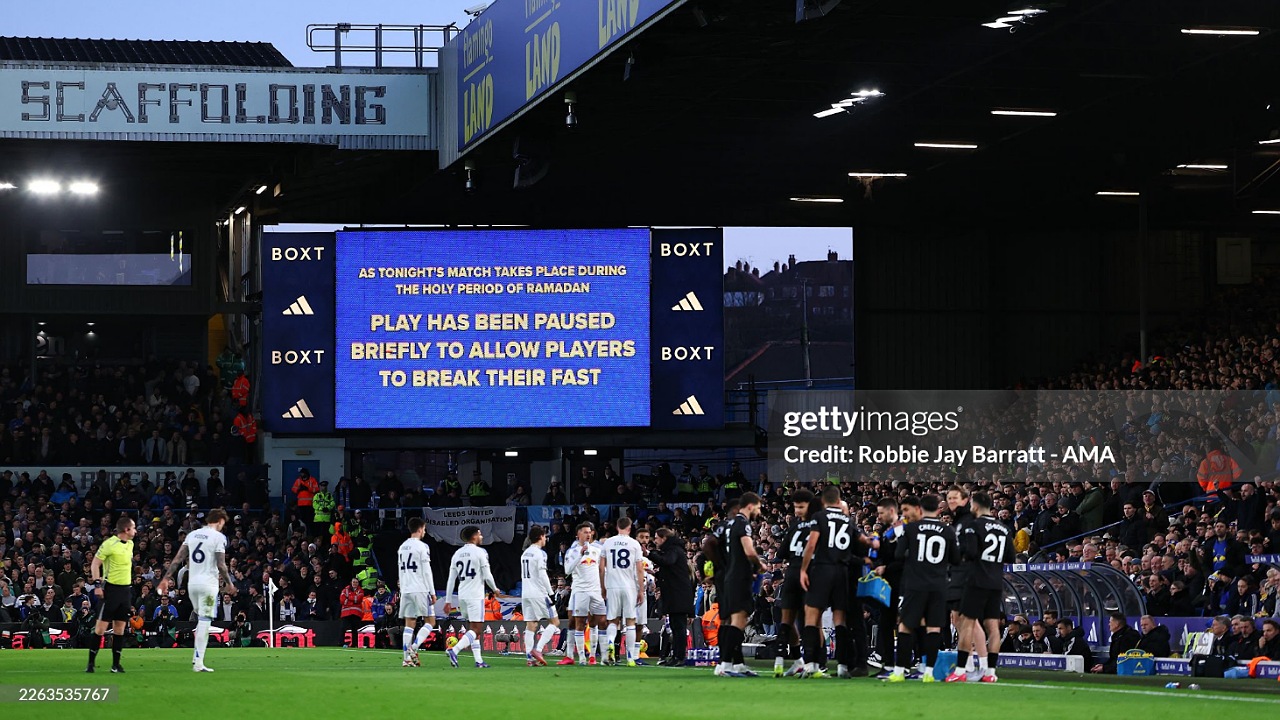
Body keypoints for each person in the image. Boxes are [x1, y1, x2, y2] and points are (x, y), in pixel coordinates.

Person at [946, 492, 1013, 683]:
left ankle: (960, 671)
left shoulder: (974, 525)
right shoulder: (1003, 528)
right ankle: (990, 673)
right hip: (996, 581)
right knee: (992, 626)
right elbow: (1010, 557)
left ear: (974, 506)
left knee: (966, 623)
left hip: (976, 580)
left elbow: (970, 552)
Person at [886, 494, 953, 682]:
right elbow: (955, 559)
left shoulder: (912, 529)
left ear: (921, 510)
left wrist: (902, 538)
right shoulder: (947, 531)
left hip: (916, 584)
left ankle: (899, 671)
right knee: (933, 629)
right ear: (939, 510)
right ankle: (929, 673)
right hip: (938, 585)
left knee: (906, 626)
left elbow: (899, 554)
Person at [158, 508, 230, 672]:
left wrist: (166, 578)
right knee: (205, 622)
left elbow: (177, 559)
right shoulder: (219, 537)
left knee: (201, 619)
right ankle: (198, 662)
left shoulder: (192, 535)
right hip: (208, 585)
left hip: (192, 584)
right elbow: (221, 564)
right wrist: (229, 583)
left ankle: (197, 659)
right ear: (219, 521)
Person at [799, 487, 852, 679]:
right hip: (842, 571)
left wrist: (803, 569)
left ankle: (811, 665)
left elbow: (812, 544)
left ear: (823, 501)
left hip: (822, 569)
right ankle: (843, 666)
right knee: (840, 620)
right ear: (839, 501)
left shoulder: (819, 517)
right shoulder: (848, 520)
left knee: (812, 617)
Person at [87, 515, 137, 674]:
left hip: (125, 591)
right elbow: (95, 563)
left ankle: (116, 664)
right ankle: (91, 663)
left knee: (119, 629)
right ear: (126, 529)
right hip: (110, 590)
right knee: (100, 629)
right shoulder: (109, 544)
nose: (136, 530)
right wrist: (97, 584)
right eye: (134, 527)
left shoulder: (130, 544)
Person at [444, 525, 499, 668]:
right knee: (477, 629)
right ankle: (454, 650)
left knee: (472, 628)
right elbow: (487, 575)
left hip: (462, 595)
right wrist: (495, 588)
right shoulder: (480, 553)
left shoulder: (457, 553)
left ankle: (478, 660)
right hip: (475, 595)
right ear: (474, 536)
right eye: (480, 534)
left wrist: (448, 600)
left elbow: (451, 579)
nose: (481, 537)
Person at [773, 489, 814, 677]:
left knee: (790, 622)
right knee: (800, 622)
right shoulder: (816, 524)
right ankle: (804, 662)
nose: (797, 511)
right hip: (806, 575)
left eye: (801, 507)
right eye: (795, 507)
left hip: (796, 574)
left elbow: (781, 554)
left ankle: (794, 662)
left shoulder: (797, 526)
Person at [600, 516, 645, 667]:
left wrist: (602, 586)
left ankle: (611, 642)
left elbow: (601, 567)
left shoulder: (608, 542)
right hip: (629, 587)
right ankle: (631, 658)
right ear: (630, 528)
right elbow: (639, 569)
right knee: (630, 621)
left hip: (612, 585)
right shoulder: (634, 544)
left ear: (617, 527)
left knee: (613, 620)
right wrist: (641, 590)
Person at [563, 522, 606, 665]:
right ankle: (581, 657)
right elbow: (567, 571)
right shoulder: (572, 551)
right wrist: (580, 555)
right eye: (585, 532)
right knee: (579, 623)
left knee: (600, 622)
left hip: (596, 591)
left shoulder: (597, 550)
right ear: (578, 535)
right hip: (580, 591)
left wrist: (603, 588)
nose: (588, 534)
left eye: (590, 532)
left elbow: (601, 570)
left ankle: (594, 656)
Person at [396, 517, 437, 668]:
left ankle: (406, 659)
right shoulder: (423, 547)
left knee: (409, 623)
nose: (424, 532)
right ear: (420, 529)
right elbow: (427, 571)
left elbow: (400, 570)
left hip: (406, 589)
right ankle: (413, 648)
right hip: (420, 588)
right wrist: (432, 592)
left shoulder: (402, 547)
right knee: (430, 621)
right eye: (424, 529)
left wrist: (402, 588)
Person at [652, 527, 695, 667]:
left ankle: (680, 657)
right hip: (676, 594)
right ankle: (676, 656)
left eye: (656, 538)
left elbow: (667, 562)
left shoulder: (674, 551)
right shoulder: (674, 550)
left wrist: (649, 554)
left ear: (664, 538)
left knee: (679, 628)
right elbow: (672, 573)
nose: (655, 540)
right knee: (676, 628)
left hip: (679, 595)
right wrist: (655, 574)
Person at [520, 525, 561, 666]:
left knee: (531, 625)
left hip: (526, 593)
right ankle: (538, 650)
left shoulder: (525, 553)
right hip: (538, 592)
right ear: (540, 537)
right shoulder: (540, 553)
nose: (546, 539)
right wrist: (551, 592)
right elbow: (542, 574)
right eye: (545, 536)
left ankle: (529, 659)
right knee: (555, 622)